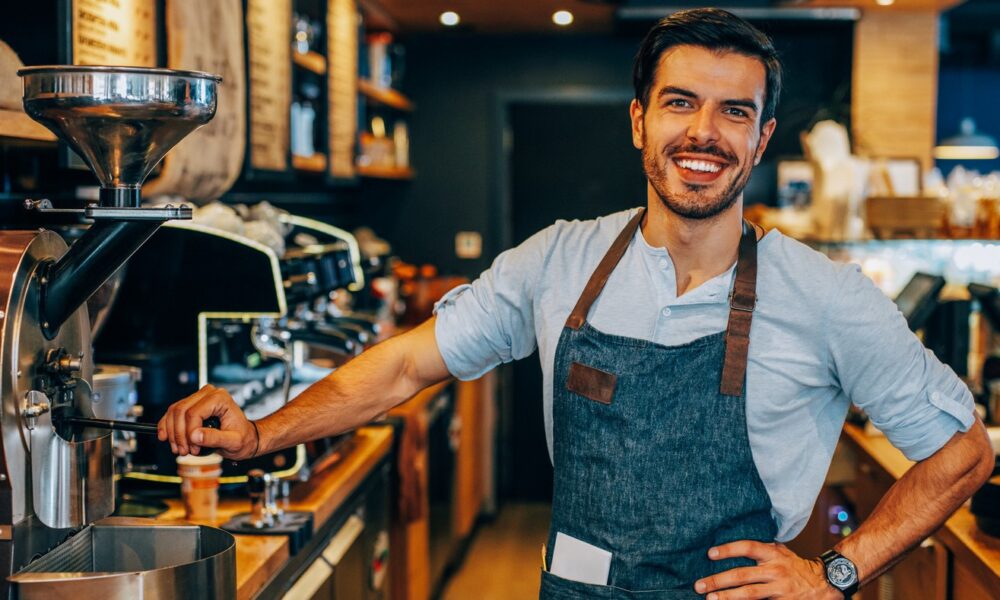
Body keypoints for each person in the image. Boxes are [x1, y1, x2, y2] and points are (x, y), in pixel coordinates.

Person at [159, 8, 994, 599]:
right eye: (680, 103)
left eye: (734, 112)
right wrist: (266, 433)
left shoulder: (825, 294)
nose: (705, 133)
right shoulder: (561, 260)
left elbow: (963, 452)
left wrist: (834, 573)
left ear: (761, 139)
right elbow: (409, 361)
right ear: (638, 122)